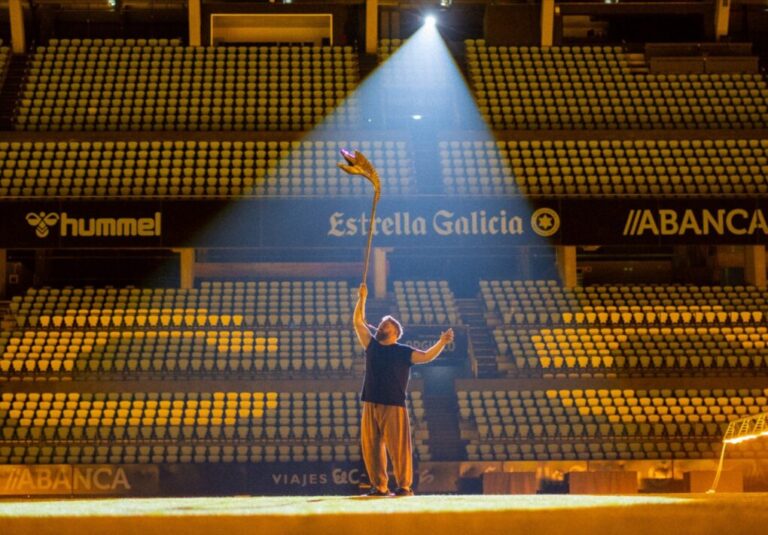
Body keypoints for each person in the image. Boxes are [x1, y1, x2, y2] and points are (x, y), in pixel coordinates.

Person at [353, 282, 454, 497]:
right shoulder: (372, 345)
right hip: (371, 402)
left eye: (385, 325)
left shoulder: (403, 351)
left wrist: (441, 342)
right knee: (371, 448)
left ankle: (404, 486)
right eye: (381, 324)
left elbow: (426, 356)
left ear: (396, 333)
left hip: (393, 404)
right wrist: (362, 298)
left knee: (399, 448)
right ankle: (380, 487)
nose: (381, 327)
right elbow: (358, 322)